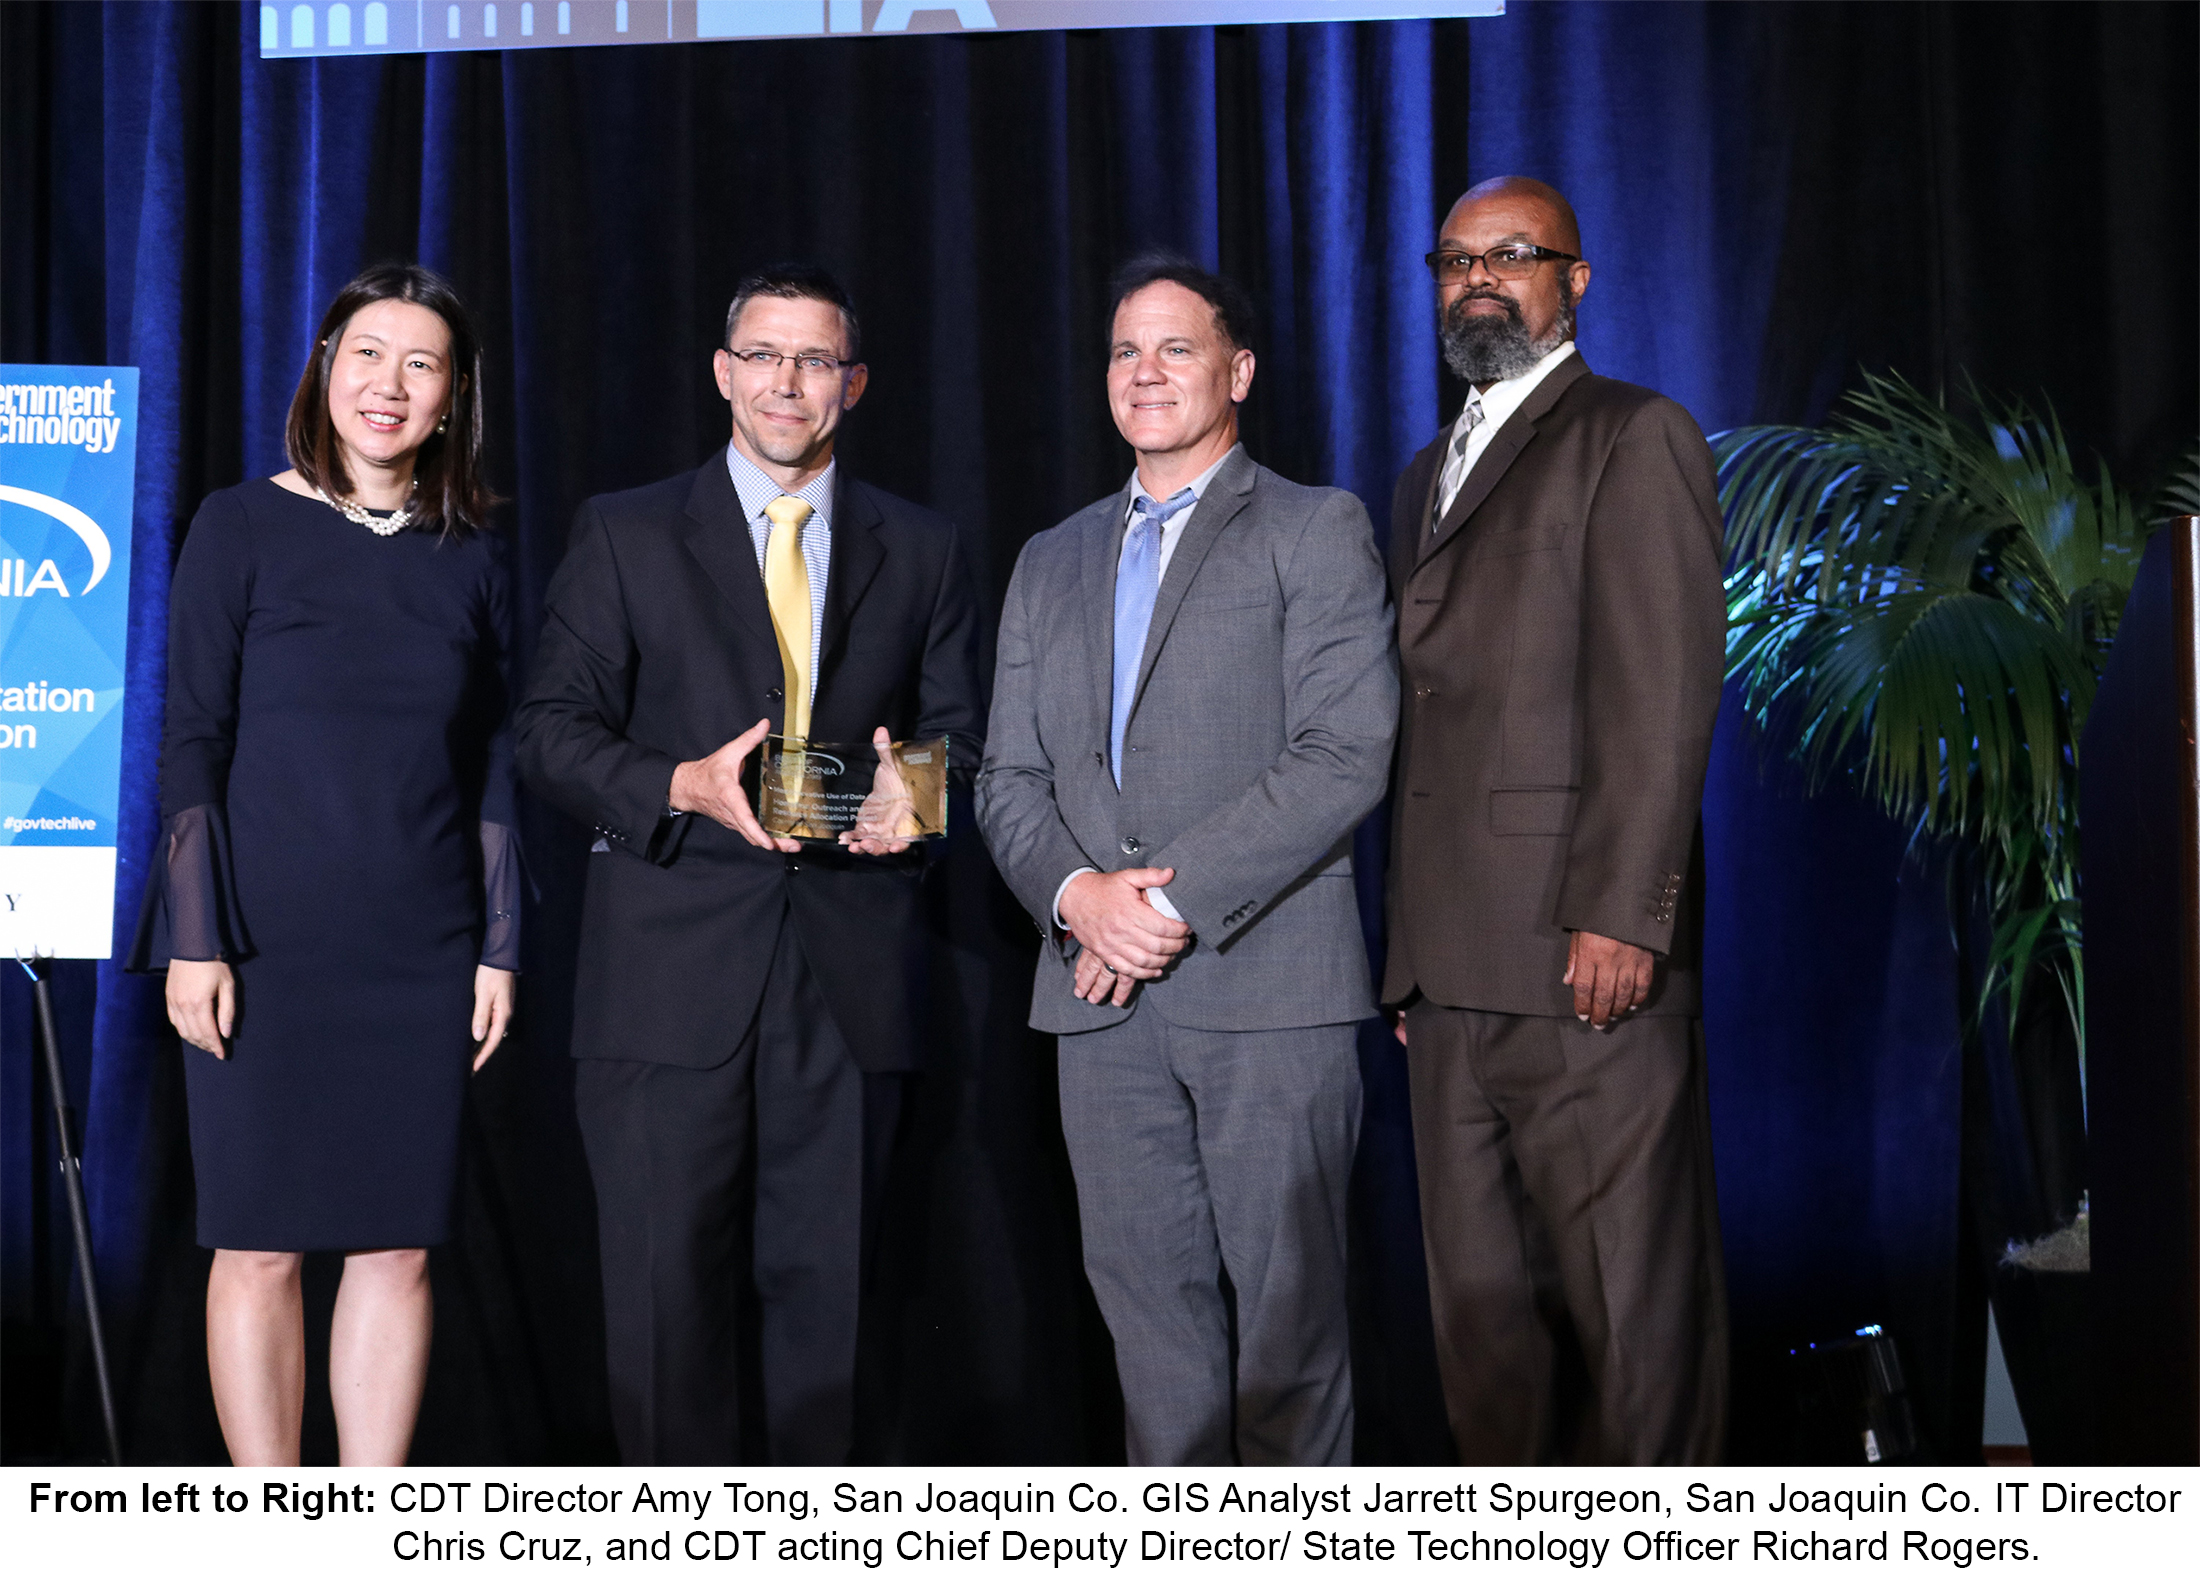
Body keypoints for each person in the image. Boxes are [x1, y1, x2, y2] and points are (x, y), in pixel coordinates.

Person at [516, 264, 983, 1466]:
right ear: (723, 374)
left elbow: (964, 731)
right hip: (666, 982)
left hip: (851, 979)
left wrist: (911, 795)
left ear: (854, 384)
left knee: (835, 1320)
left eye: (815, 359)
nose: (787, 381)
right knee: (664, 1319)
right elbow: (550, 729)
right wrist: (680, 784)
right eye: (764, 356)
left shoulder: (922, 547)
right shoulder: (624, 532)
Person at [977, 255, 1396, 1466]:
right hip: (1096, 1006)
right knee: (1151, 1347)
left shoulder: (1314, 528)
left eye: (1174, 347)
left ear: (1239, 371)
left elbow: (1343, 751)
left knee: (1289, 1343)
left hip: (1266, 996)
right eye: (1123, 351)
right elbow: (1007, 778)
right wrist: (1076, 900)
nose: (1144, 372)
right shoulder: (1049, 558)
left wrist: (1158, 905)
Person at [128, 263, 519, 1466]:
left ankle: (368, 1526)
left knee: (396, 1244)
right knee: (257, 1244)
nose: (387, 384)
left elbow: (495, 757)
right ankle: (274, 1532)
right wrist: (195, 937)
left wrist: (499, 948)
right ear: (324, 369)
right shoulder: (240, 522)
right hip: (262, 942)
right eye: (365, 353)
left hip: (419, 945)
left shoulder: (473, 551)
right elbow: (191, 734)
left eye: (420, 363)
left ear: (451, 398)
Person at [1384, 176, 1729, 1464]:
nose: (1478, 279)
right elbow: (1429, 729)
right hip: (1451, 977)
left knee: (1634, 1332)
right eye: (1455, 261)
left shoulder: (1633, 436)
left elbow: (1660, 692)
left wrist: (1619, 913)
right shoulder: (1427, 471)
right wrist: (1406, 951)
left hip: (1586, 969)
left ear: (1574, 281)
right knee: (1486, 1343)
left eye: (1512, 256)